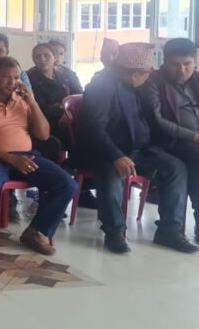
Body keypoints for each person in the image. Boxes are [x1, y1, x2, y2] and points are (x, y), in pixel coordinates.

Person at [80, 42, 197, 254]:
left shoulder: (133, 87)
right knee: (112, 172)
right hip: (106, 151)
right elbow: (96, 130)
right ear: (134, 74)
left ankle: (169, 231)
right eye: (147, 72)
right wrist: (116, 156)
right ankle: (115, 231)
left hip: (139, 150)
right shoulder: (102, 88)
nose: (150, 76)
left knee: (175, 168)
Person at [0, 56, 77, 255]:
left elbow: (43, 135)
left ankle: (35, 231)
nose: (12, 82)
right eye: (6, 77)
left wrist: (32, 101)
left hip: (26, 157)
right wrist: (10, 158)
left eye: (16, 77)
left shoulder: (23, 100)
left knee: (67, 184)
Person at [141, 37, 199, 242]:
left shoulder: (197, 79)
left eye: (187, 64)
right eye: (175, 64)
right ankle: (172, 229)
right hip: (166, 141)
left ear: (195, 61)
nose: (182, 70)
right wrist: (194, 136)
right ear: (164, 61)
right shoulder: (152, 82)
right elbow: (158, 122)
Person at [27, 42, 82, 141]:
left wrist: (69, 112)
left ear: (54, 58)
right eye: (37, 56)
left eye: (46, 55)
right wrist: (63, 110)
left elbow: (78, 95)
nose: (42, 59)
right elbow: (40, 107)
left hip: (68, 116)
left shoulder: (64, 75)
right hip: (46, 122)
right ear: (33, 59)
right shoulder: (30, 78)